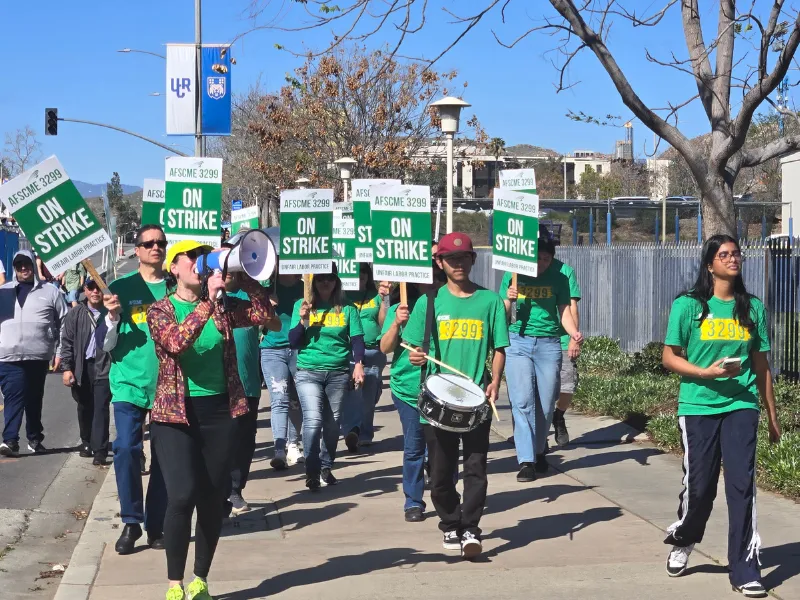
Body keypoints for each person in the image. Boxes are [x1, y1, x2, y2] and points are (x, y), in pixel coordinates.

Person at [147, 240, 273, 600]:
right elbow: (175, 342)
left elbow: (263, 315)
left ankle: (200, 578)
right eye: (194, 258)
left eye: (207, 258)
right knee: (182, 494)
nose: (201, 265)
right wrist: (207, 303)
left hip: (220, 412)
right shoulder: (161, 310)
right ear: (175, 267)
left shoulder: (224, 307)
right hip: (174, 414)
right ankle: (175, 583)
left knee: (212, 497)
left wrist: (244, 275)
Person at [661, 235, 780, 599]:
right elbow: (669, 357)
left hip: (742, 405)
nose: (733, 259)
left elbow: (762, 367)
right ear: (710, 264)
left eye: (736, 253)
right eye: (724, 254)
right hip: (697, 405)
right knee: (700, 488)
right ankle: (686, 536)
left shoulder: (752, 308)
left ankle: (744, 568)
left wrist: (773, 417)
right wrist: (705, 373)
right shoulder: (688, 306)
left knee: (741, 487)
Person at [403, 232, 509, 559]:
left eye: (464, 259)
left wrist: (496, 381)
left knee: (476, 469)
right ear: (440, 263)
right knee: (439, 473)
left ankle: (471, 528)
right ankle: (450, 522)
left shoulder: (490, 302)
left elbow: (500, 347)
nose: (458, 264)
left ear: (473, 260)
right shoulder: (429, 301)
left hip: (477, 402)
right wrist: (416, 357)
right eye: (451, 260)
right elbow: (412, 349)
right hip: (437, 405)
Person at [103, 225, 169, 554]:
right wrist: (113, 318)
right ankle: (131, 522)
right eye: (149, 243)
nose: (156, 247)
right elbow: (105, 345)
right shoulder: (119, 289)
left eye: (161, 243)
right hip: (129, 383)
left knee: (164, 459)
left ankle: (156, 525)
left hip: (168, 387)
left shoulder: (177, 288)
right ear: (138, 250)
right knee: (127, 449)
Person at [501, 228, 583, 482]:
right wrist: (508, 299)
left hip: (549, 345)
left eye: (546, 259)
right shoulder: (512, 275)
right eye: (537, 258)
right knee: (522, 401)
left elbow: (565, 312)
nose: (541, 263)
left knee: (546, 403)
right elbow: (501, 317)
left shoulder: (559, 277)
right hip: (518, 342)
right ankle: (526, 460)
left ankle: (538, 451)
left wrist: (573, 333)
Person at [379, 251, 446, 523]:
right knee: (414, 446)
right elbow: (385, 347)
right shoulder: (400, 309)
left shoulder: (448, 305)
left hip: (442, 389)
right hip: (407, 389)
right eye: (424, 278)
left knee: (443, 448)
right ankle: (413, 501)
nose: (429, 282)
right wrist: (396, 323)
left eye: (434, 277)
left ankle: (446, 497)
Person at [288, 265, 365, 490]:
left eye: (329, 278)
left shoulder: (348, 308)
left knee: (333, 423)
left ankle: (326, 466)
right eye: (320, 279)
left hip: (338, 372)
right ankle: (311, 470)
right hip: (308, 371)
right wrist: (303, 321)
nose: (325, 283)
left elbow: (357, 339)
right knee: (313, 421)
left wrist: (358, 364)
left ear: (336, 281)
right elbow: (294, 342)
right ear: (313, 281)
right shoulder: (301, 305)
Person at [224, 266, 282, 516]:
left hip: (247, 382)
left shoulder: (251, 299)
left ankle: (235, 489)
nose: (227, 271)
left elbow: (276, 325)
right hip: (218, 385)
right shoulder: (205, 298)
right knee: (221, 441)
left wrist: (251, 286)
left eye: (232, 266)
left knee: (244, 440)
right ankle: (219, 491)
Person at [0, 250, 68, 457]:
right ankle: (10, 440)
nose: (23, 268)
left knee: (34, 398)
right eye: (19, 265)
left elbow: (64, 323)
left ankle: (34, 437)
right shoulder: (4, 291)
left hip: (38, 356)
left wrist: (60, 352)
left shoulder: (50, 291)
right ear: (14, 268)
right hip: (8, 356)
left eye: (27, 264)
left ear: (33, 265)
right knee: (14, 396)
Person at [59, 277, 112, 465]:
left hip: (104, 366)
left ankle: (100, 450)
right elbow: (67, 342)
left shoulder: (110, 312)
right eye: (91, 288)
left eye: (98, 288)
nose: (95, 291)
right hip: (83, 366)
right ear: (85, 290)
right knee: (84, 406)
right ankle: (87, 441)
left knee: (101, 407)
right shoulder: (76, 313)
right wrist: (67, 368)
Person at [341, 264, 390, 451]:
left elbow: (383, 323)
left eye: (362, 274)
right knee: (352, 393)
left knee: (369, 396)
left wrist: (385, 300)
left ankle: (365, 433)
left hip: (373, 351)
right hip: (350, 351)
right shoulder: (342, 296)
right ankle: (351, 430)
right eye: (356, 273)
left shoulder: (376, 296)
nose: (359, 277)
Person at [260, 271, 305, 470]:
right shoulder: (265, 290)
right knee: (279, 399)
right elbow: (255, 324)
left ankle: (294, 444)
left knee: (297, 400)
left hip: (299, 349)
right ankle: (279, 447)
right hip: (272, 350)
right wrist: (267, 307)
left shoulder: (306, 289)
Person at [552, 256, 582, 447]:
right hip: (533, 339)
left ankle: (558, 416)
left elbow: (572, 306)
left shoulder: (565, 271)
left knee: (567, 386)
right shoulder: (521, 270)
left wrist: (574, 338)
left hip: (562, 337)